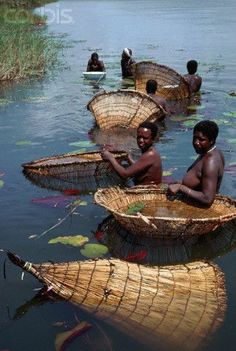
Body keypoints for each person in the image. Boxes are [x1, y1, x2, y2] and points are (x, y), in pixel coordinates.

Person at [168, 120, 224, 206]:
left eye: (202, 140)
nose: (196, 142)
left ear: (211, 140)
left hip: (199, 210)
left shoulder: (210, 161)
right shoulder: (207, 152)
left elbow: (207, 198)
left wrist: (181, 188)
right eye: (195, 138)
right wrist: (180, 183)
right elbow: (200, 181)